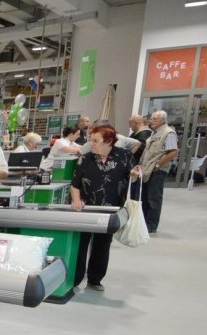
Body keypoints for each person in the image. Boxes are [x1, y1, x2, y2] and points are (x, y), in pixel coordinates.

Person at [70, 125, 143, 292]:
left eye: (96, 141)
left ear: (109, 141)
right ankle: (75, 279)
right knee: (81, 244)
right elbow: (75, 185)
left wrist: (134, 174)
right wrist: (76, 201)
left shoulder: (124, 156)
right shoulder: (86, 159)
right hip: (86, 209)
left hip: (111, 209)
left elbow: (132, 176)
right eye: (91, 140)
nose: (92, 144)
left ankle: (95, 279)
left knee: (102, 245)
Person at [140, 109, 179, 233]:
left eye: (154, 119)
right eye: (151, 118)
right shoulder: (154, 133)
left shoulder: (168, 133)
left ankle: (151, 225)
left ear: (163, 120)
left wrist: (158, 164)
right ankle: (144, 222)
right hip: (147, 170)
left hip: (157, 170)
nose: (151, 121)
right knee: (145, 197)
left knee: (154, 198)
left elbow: (173, 152)